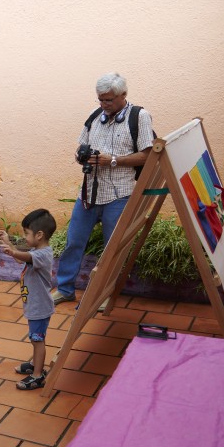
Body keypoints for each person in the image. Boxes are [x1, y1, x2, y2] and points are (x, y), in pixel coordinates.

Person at [52, 72, 154, 305]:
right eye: (100, 99)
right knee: (74, 242)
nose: (103, 104)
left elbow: (148, 155)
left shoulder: (140, 116)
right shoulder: (95, 115)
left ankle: (104, 294)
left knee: (112, 249)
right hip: (89, 193)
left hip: (119, 195)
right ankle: (65, 289)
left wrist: (113, 160)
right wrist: (81, 156)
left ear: (123, 95)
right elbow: (82, 145)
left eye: (108, 100)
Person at [0, 209, 57, 390]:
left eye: (26, 233)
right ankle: (35, 365)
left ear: (39, 235)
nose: (24, 236)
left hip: (40, 308)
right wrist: (9, 245)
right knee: (34, 338)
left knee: (37, 340)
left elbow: (25, 257)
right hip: (35, 305)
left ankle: (38, 375)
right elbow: (22, 259)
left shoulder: (43, 254)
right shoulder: (35, 251)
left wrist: (12, 252)